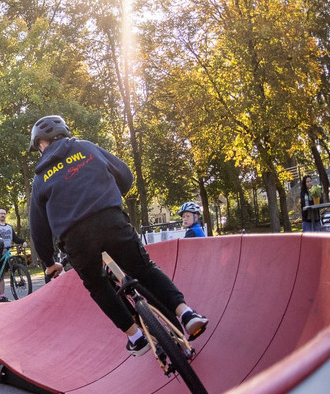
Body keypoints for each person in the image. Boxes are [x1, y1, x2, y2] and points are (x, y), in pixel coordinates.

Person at [27, 115, 209, 356]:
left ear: (41, 143)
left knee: (97, 285)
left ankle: (136, 336)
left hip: (75, 239)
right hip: (111, 220)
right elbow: (125, 175)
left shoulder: (40, 178)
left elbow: (38, 230)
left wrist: (49, 264)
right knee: (144, 269)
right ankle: (185, 313)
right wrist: (111, 197)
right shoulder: (87, 148)